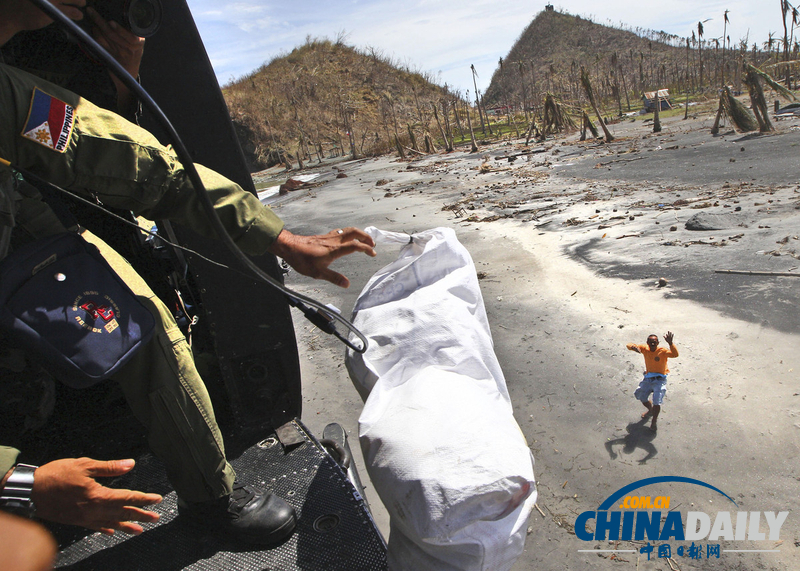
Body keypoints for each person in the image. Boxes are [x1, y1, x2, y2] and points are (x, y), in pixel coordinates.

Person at [0, 0, 376, 546]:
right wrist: (21, 484)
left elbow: (133, 162)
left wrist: (279, 238)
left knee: (138, 321)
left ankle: (211, 499)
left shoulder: (11, 100)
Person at [626, 331, 678, 432]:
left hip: (660, 380)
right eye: (650, 342)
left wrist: (671, 344)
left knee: (657, 402)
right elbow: (628, 345)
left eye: (654, 342)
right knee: (641, 396)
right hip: (648, 378)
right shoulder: (644, 349)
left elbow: (675, 354)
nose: (653, 344)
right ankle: (650, 411)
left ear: (658, 342)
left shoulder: (662, 351)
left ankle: (654, 421)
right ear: (647, 343)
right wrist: (633, 347)